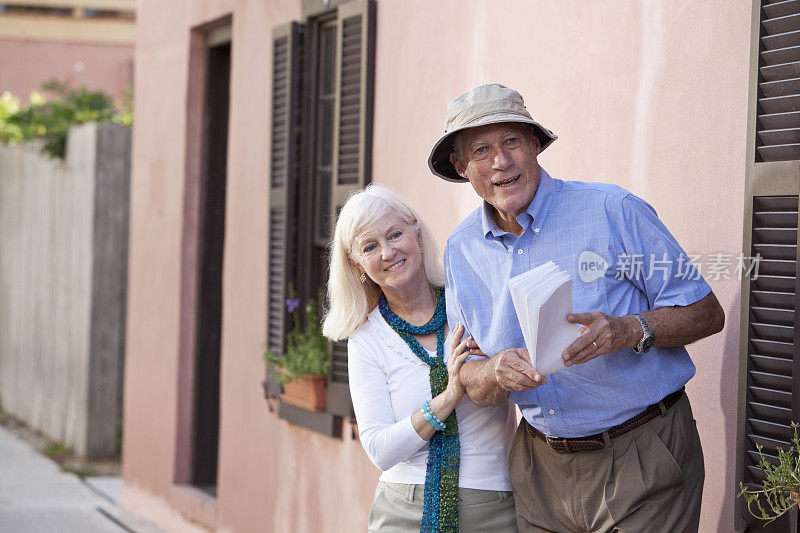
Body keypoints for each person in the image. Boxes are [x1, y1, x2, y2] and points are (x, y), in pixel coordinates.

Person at [428, 84, 725, 533]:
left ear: (534, 144)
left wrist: (630, 329)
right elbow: (467, 368)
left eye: (511, 141)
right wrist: (492, 373)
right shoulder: (461, 249)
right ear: (461, 166)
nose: (500, 162)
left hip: (643, 453)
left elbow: (706, 311)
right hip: (538, 469)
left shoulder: (612, 210)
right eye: (481, 150)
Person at [322, 185, 518, 533]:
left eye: (395, 234)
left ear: (415, 231)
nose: (388, 252)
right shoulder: (367, 339)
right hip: (403, 510)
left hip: (493, 505)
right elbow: (380, 450)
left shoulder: (469, 302)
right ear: (358, 264)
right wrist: (449, 395)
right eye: (370, 247)